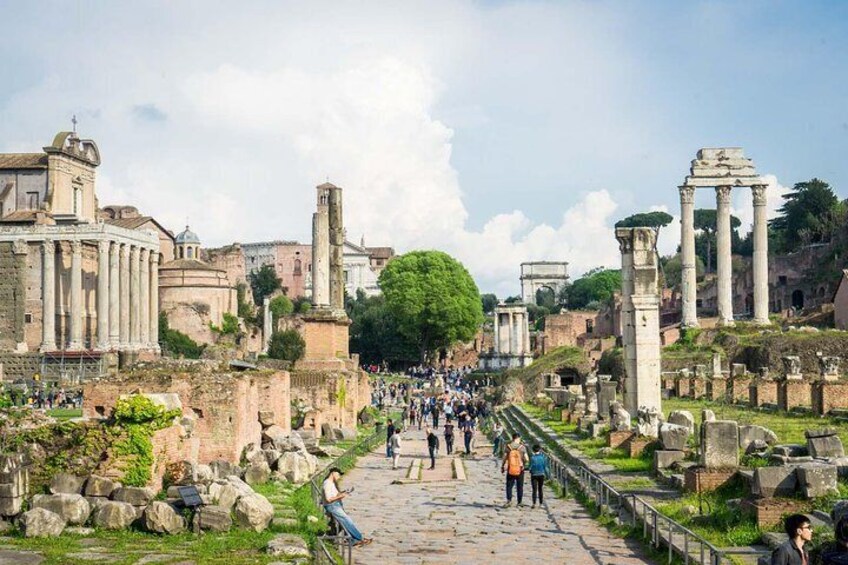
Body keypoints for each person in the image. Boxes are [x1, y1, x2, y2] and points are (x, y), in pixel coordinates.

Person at [322, 467, 372, 547]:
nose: (339, 477)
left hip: (335, 505)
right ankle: (358, 538)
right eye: (338, 474)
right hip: (332, 506)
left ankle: (354, 538)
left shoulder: (331, 483)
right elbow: (328, 499)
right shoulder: (327, 483)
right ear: (333, 473)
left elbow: (334, 495)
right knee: (347, 520)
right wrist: (340, 496)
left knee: (346, 521)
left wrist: (343, 493)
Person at [501, 433, 528, 507]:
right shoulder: (522, 447)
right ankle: (519, 502)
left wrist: (503, 466)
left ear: (512, 438)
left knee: (509, 485)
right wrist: (524, 464)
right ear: (518, 438)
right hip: (520, 468)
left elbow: (504, 457)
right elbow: (527, 458)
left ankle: (509, 500)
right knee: (520, 486)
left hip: (511, 468)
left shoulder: (508, 447)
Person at [528, 444, 549, 509]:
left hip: (534, 475)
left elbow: (530, 467)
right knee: (540, 489)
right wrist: (548, 475)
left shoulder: (532, 458)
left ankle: (534, 503)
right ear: (539, 449)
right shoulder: (543, 457)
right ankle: (540, 503)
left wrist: (529, 470)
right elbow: (545, 467)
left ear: (533, 450)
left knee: (534, 489)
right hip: (541, 474)